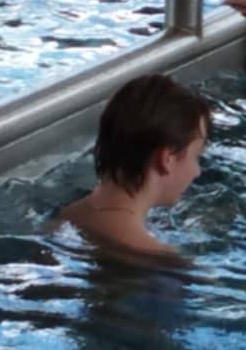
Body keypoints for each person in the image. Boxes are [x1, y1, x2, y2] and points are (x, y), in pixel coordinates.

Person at [58, 74, 213, 260]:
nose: (197, 171)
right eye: (196, 156)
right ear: (167, 159)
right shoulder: (160, 258)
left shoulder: (64, 219)